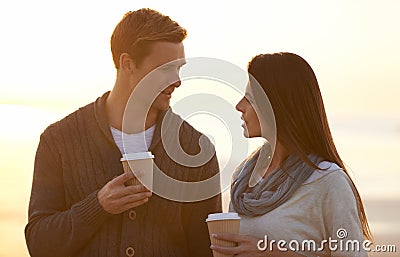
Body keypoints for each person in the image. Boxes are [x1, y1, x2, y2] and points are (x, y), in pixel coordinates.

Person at [25, 8, 221, 257]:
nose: (177, 81)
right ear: (127, 64)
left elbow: (204, 251)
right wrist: (98, 206)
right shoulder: (58, 140)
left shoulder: (196, 147)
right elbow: (39, 244)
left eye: (179, 69)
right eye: (164, 70)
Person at [210, 53, 372, 257]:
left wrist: (275, 253)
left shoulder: (329, 181)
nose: (239, 106)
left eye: (249, 99)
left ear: (277, 106)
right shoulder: (244, 177)